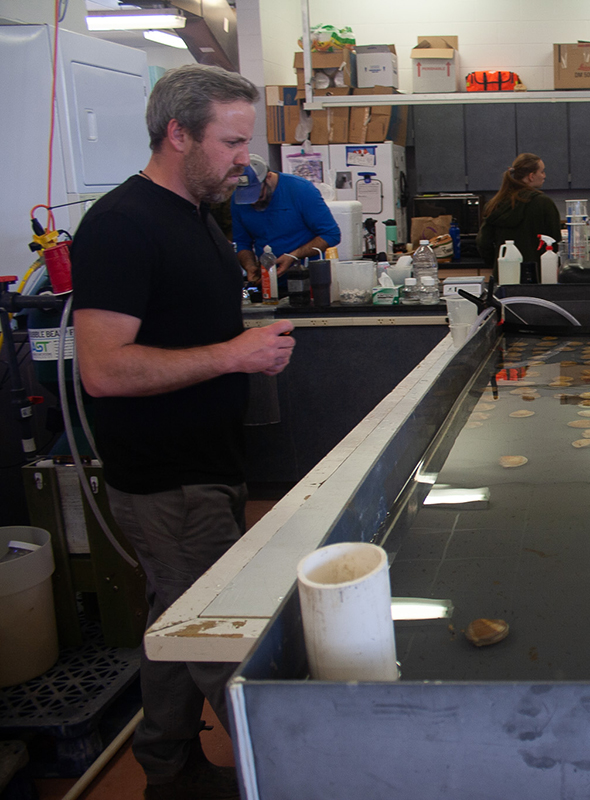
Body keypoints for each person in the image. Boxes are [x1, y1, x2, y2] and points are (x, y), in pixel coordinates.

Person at [70, 64, 296, 800]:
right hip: (169, 481)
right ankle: (295, 774)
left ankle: (167, 769)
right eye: (231, 142)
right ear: (177, 133)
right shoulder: (120, 225)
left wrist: (239, 347)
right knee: (222, 644)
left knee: (176, 624)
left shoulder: (196, 214)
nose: (244, 160)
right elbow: (102, 370)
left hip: (209, 464)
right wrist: (233, 355)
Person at [231, 153, 341, 280]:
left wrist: (293, 256)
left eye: (258, 196)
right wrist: (249, 266)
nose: (253, 202)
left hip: (307, 279)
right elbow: (241, 242)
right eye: (247, 199)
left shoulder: (301, 189)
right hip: (268, 282)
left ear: (268, 177)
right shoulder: (238, 200)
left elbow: (331, 234)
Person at [476, 153, 561, 273]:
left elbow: (483, 243)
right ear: (531, 176)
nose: (544, 176)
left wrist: (498, 263)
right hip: (537, 275)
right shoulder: (543, 203)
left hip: (504, 274)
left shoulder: (494, 204)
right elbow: (555, 242)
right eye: (542, 171)